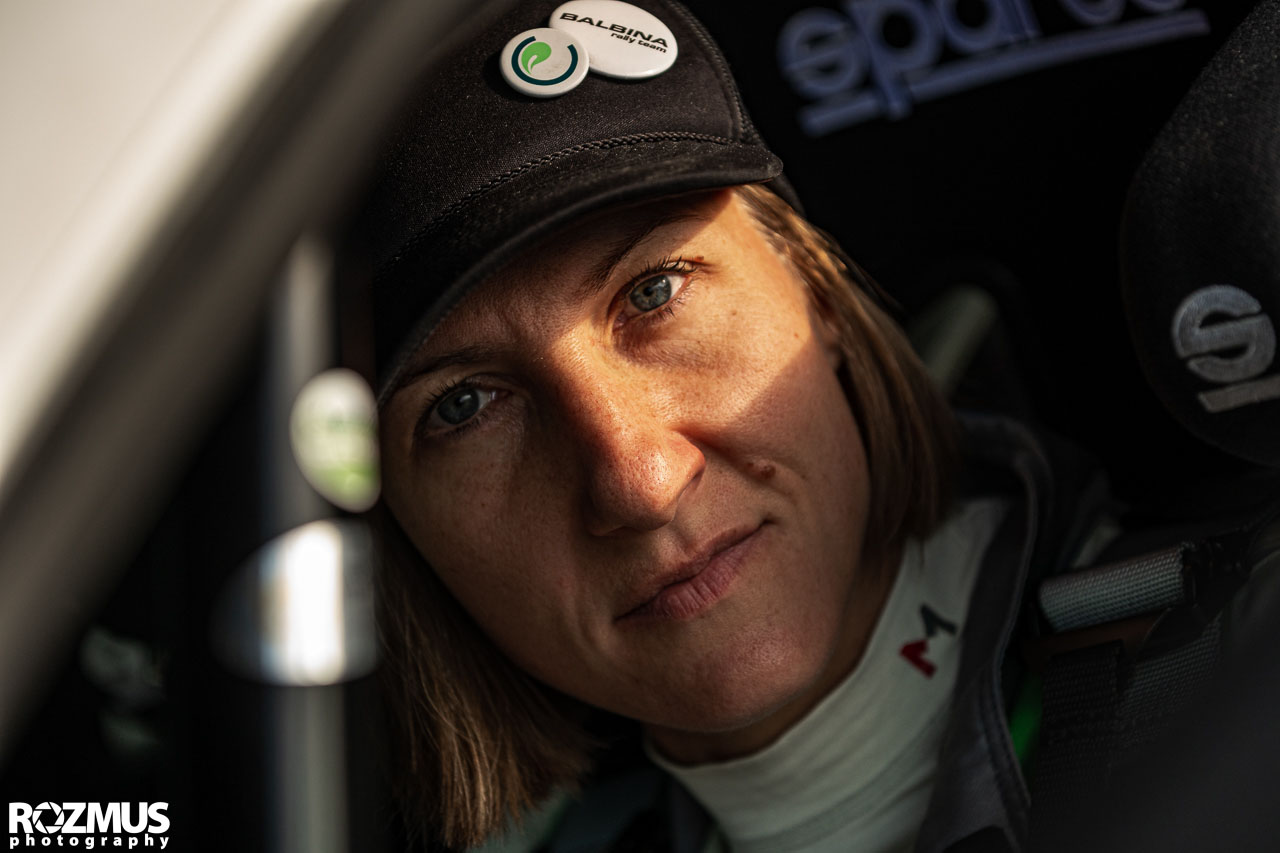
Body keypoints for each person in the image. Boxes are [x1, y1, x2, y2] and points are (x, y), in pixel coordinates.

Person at [350, 1, 1277, 851]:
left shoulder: (1247, 679)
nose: (638, 480)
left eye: (655, 292)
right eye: (463, 404)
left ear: (817, 290)